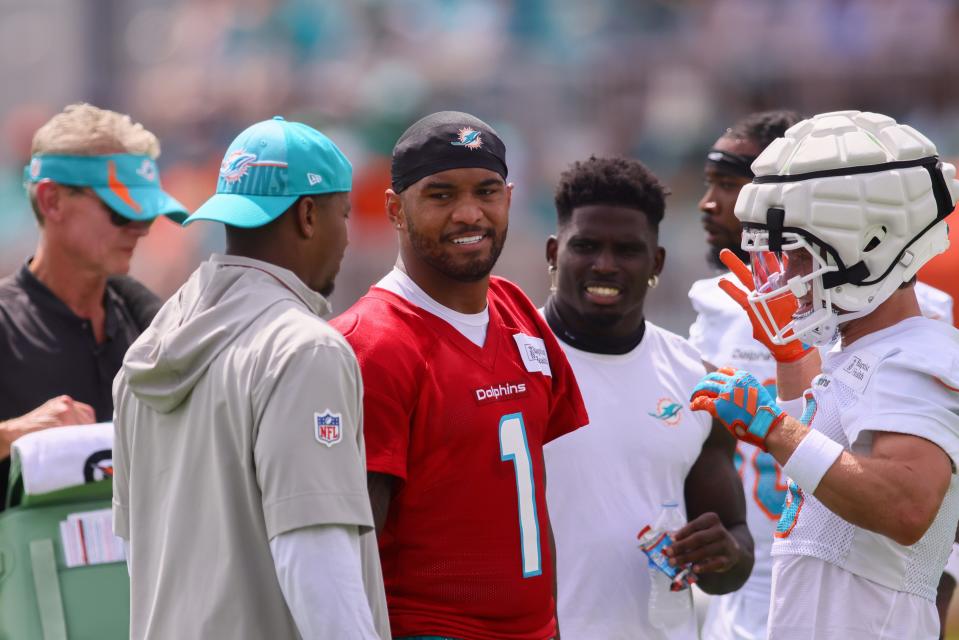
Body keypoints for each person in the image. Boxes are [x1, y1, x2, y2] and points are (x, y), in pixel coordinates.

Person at [112, 116, 389, 639]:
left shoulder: (142, 359)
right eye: (344, 214)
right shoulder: (303, 350)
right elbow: (315, 560)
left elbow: (135, 557)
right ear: (308, 214)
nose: (347, 238)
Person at [690, 110, 959, 640]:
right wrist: (792, 362)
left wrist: (774, 428)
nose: (786, 275)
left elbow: (907, 507)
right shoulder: (858, 349)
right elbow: (824, 474)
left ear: (871, 246)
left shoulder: (917, 353)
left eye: (796, 255)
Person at [330, 111, 588, 640]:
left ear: (510, 197)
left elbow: (532, 505)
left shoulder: (515, 307)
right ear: (394, 209)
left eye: (486, 191)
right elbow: (347, 544)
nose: (470, 214)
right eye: (441, 195)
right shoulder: (372, 343)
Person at [541, 155, 754, 639]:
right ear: (554, 252)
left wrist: (724, 553)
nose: (605, 265)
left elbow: (733, 548)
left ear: (656, 262)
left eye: (628, 250)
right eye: (587, 245)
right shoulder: (507, 364)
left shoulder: (696, 381)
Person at [0, 103, 186, 507]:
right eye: (122, 211)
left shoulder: (153, 325)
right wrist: (13, 433)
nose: (140, 229)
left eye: (148, 213)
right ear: (52, 201)